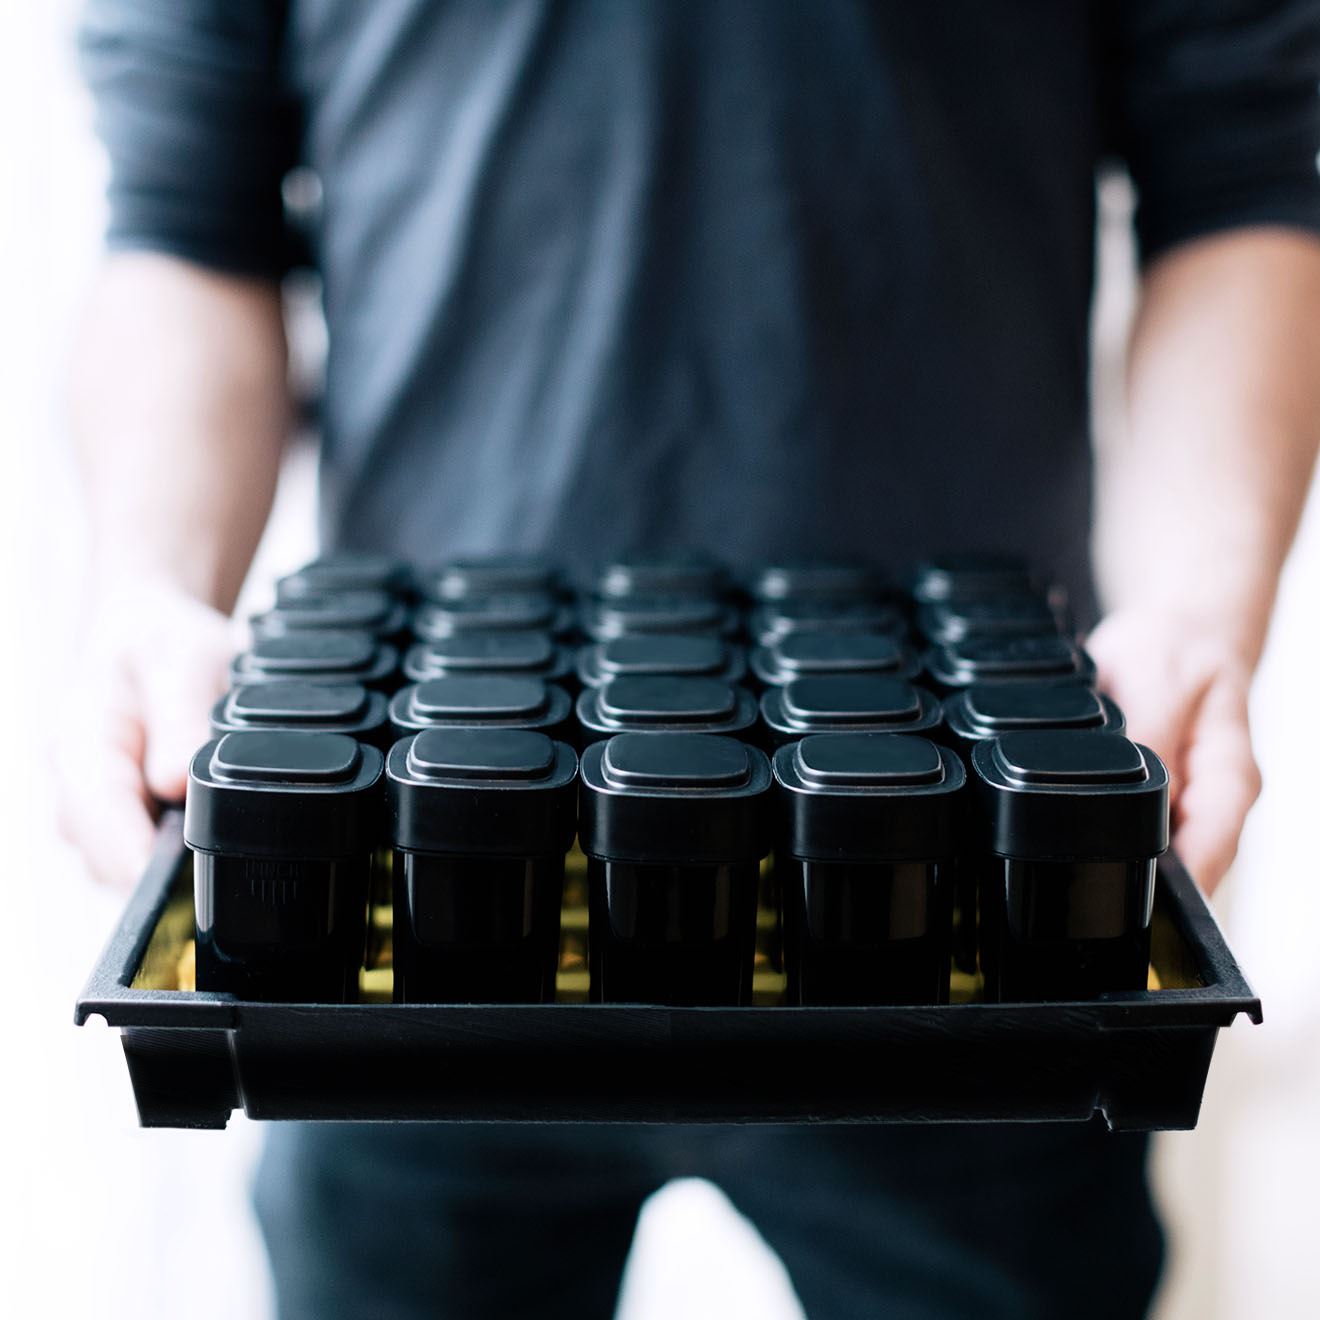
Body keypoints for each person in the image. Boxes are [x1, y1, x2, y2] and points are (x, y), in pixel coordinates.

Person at [62, 2, 1320, 1317]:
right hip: (416, 892)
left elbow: (1234, 179)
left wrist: (1191, 609)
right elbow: (184, 216)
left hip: (965, 904)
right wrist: (149, 588)